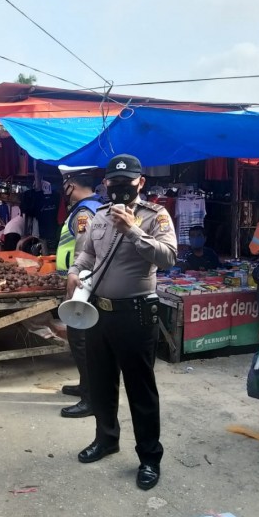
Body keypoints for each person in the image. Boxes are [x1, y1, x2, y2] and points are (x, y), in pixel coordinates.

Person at [67, 154, 177, 491]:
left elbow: (169, 257)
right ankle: (106, 439)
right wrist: (73, 271)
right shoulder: (98, 215)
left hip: (136, 313)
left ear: (140, 183)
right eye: (112, 183)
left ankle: (149, 457)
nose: (118, 189)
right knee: (101, 382)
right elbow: (88, 254)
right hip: (98, 311)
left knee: (140, 389)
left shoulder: (155, 216)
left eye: (126, 182)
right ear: (105, 184)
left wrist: (131, 230)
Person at [56, 165, 105, 419]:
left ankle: (91, 399)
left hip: (82, 286)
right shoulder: (91, 209)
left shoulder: (85, 212)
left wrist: (75, 290)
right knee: (79, 341)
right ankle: (85, 386)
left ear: (71, 184)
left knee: (82, 342)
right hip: (83, 285)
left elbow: (84, 255)